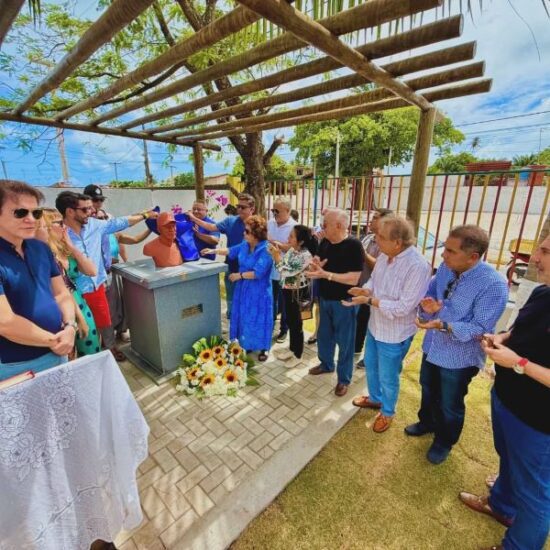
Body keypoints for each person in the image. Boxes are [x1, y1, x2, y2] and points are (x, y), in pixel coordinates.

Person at [459, 234, 550, 550]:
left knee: (536, 495)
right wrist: (502, 338)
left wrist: (519, 362)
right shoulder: (543, 292)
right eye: (540, 249)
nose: (535, 258)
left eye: (546, 252)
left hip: (540, 423)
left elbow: (524, 360)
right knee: (508, 459)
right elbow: (521, 330)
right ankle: (501, 505)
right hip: (508, 401)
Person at [406, 225, 508, 464]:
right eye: (445, 248)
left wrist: (443, 324)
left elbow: (481, 328)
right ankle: (427, 422)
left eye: (451, 251)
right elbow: (432, 293)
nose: (443, 255)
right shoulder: (445, 268)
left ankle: (444, 441)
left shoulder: (493, 285)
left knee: (450, 402)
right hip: (433, 347)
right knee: (428, 388)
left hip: (459, 357)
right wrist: (428, 306)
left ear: (473, 257)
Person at [344, 216, 432, 432]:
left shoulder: (418, 266)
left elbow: (404, 307)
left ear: (398, 242)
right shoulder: (385, 255)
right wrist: (365, 289)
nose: (376, 240)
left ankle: (388, 411)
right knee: (372, 367)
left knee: (388, 375)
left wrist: (369, 300)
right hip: (376, 326)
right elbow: (375, 280)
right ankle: (375, 398)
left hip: (395, 333)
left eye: (381, 237)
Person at [56, 191, 155, 362]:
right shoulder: (57, 235)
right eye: (85, 209)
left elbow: (121, 222)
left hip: (97, 286)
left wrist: (145, 215)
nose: (91, 212)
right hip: (73, 293)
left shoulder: (95, 225)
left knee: (104, 321)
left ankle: (109, 349)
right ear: (70, 212)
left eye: (91, 208)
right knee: (80, 330)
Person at [0, 180, 76, 379]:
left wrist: (70, 326)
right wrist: (57, 341)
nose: (31, 219)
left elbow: (61, 293)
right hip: (17, 365)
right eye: (20, 212)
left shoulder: (40, 248)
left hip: (58, 350)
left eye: (36, 213)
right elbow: (5, 323)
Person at [306, 208, 363, 397]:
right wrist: (315, 264)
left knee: (345, 343)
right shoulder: (325, 242)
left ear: (338, 226)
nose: (322, 228)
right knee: (324, 335)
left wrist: (326, 275)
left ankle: (344, 379)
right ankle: (326, 364)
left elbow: (354, 278)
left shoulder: (354, 245)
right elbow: (320, 263)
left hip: (344, 302)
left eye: (325, 224)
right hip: (325, 298)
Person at [201, 215, 273, 361]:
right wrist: (212, 251)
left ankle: (263, 348)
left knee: (258, 318)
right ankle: (248, 344)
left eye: (247, 231)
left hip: (259, 291)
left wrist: (239, 275)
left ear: (256, 234)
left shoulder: (266, 249)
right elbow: (230, 251)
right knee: (245, 316)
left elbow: (258, 273)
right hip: (243, 289)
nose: (243, 233)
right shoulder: (245, 244)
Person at [40, 208, 101, 356]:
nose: (65, 227)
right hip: (63, 311)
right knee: (70, 355)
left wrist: (72, 247)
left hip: (80, 303)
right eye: (60, 223)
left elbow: (92, 271)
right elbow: (61, 290)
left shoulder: (65, 250)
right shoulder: (44, 255)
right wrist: (78, 319)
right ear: (47, 227)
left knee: (91, 349)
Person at [188, 193, 255, 318]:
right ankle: (232, 317)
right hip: (231, 265)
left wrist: (214, 251)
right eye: (238, 206)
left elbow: (239, 248)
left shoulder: (257, 225)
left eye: (243, 207)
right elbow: (212, 227)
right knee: (231, 295)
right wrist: (194, 218)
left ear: (252, 209)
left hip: (249, 269)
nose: (239, 209)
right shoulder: (230, 221)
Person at [268, 225, 317, 360]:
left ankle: (298, 355)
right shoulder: (292, 251)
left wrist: (276, 256)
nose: (288, 238)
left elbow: (285, 271)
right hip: (288, 290)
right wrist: (277, 257)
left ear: (300, 241)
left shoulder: (305, 255)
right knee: (290, 321)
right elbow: (283, 265)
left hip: (298, 293)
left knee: (297, 324)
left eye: (291, 236)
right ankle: (292, 349)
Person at [355, 208, 393, 367]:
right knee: (361, 321)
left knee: (374, 326)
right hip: (364, 288)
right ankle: (356, 349)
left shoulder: (387, 243)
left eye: (375, 218)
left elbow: (378, 266)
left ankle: (370, 358)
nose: (371, 220)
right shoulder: (369, 238)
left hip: (378, 296)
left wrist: (362, 252)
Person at [268, 198, 297, 343]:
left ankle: (284, 330)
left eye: (277, 211)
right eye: (273, 210)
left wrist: (273, 242)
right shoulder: (270, 223)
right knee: (270, 300)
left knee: (285, 302)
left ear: (288, 211)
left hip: (285, 271)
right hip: (269, 270)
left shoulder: (295, 227)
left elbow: (293, 248)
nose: (274, 213)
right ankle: (269, 326)